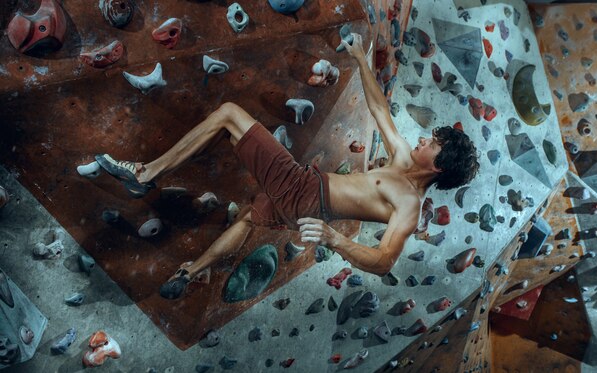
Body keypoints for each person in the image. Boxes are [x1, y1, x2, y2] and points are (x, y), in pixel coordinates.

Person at [92, 33, 479, 300]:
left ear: (441, 166)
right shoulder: (402, 159)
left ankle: (145, 175)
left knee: (229, 115)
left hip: (303, 191)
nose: (425, 139)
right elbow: (379, 108)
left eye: (435, 143)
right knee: (247, 217)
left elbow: (382, 262)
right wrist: (362, 57)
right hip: (303, 204)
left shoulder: (410, 206)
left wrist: (335, 240)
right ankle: (190, 272)